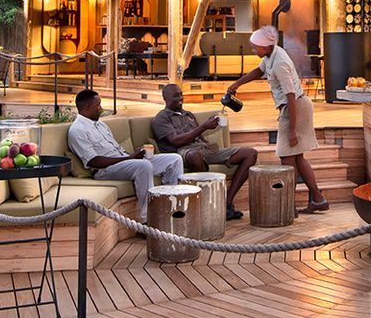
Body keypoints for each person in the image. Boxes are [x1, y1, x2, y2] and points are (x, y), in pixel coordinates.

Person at [225, 26, 329, 214]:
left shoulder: (279, 62)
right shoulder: (270, 56)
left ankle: (289, 205)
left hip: (295, 107)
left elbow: (290, 94)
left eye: (255, 47)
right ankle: (318, 199)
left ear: (266, 46)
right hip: (297, 106)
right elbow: (258, 71)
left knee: (287, 157)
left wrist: (291, 130)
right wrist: (237, 83)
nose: (253, 50)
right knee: (297, 157)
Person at [65, 88, 184, 216]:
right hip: (104, 170)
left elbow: (116, 151)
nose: (101, 108)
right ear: (87, 107)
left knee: (174, 159)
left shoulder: (100, 125)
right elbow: (93, 161)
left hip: (124, 162)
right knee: (144, 166)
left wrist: (134, 155)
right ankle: (147, 218)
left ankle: (171, 208)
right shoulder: (77, 130)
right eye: (98, 105)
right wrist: (130, 159)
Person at [151, 82, 260, 220]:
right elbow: (175, 141)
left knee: (250, 153)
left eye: (181, 94)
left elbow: (199, 135)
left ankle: (227, 203)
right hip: (183, 151)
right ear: (165, 99)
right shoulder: (161, 118)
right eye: (175, 96)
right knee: (194, 156)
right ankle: (208, 204)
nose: (180, 98)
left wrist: (208, 141)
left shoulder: (188, 114)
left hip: (204, 149)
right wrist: (203, 127)